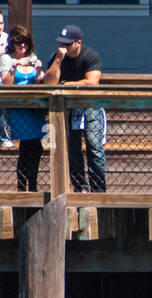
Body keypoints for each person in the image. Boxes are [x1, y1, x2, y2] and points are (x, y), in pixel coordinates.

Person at [43, 24, 104, 193]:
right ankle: (80, 188)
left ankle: (98, 189)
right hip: (69, 109)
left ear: (78, 43)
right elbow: (48, 83)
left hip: (89, 106)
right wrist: (57, 60)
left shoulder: (90, 56)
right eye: (62, 44)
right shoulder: (57, 57)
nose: (64, 47)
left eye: (68, 44)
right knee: (73, 149)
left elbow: (91, 82)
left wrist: (65, 84)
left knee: (94, 147)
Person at [0, 26, 44, 190]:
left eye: (25, 43)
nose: (22, 47)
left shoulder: (32, 56)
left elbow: (38, 83)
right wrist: (15, 64)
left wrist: (39, 72)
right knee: (28, 146)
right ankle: (24, 186)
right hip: (18, 109)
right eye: (19, 44)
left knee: (35, 147)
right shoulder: (6, 59)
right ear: (12, 44)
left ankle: (30, 184)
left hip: (33, 110)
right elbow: (7, 83)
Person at [0, 10, 11, 148]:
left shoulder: (9, 40)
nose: (0, 26)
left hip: (5, 81)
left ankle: (4, 138)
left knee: (3, 111)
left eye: (1, 23)